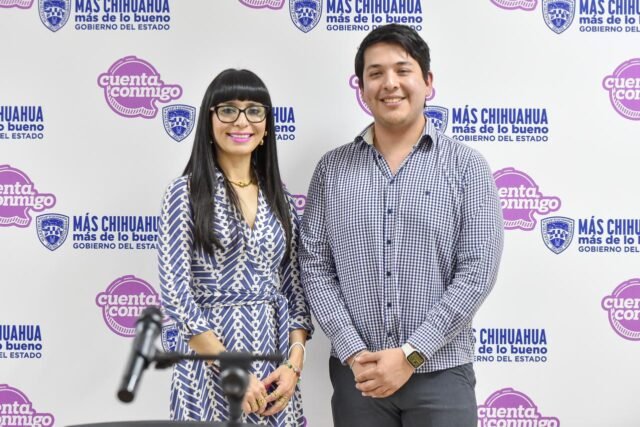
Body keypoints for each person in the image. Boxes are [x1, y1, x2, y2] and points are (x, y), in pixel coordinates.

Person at [299, 24, 504, 426]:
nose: (389, 83)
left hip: (441, 373)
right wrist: (352, 350)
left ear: (428, 82)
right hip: (358, 376)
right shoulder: (332, 170)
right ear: (362, 88)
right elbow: (315, 265)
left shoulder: (466, 167)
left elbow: (478, 271)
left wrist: (412, 354)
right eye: (375, 73)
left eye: (402, 70)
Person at [158, 68, 313, 426]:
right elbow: (176, 295)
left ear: (267, 126)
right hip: (208, 365)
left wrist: (293, 365)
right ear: (209, 120)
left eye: (254, 110)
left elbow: (295, 294)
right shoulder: (184, 194)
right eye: (228, 109)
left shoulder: (280, 199)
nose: (242, 121)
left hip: (274, 365)